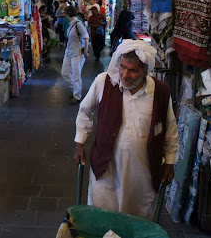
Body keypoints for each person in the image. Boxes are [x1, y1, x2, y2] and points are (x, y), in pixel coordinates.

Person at [74, 40, 178, 219]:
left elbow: (170, 128)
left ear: (145, 71)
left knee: (136, 218)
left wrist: (169, 161)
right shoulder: (104, 82)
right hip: (106, 169)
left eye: (133, 70)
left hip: (142, 173)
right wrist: (80, 141)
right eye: (122, 67)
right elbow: (84, 111)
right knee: (102, 216)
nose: (125, 74)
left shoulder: (160, 92)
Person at [61, 5, 89, 105]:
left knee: (76, 75)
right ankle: (75, 89)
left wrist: (85, 51)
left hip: (77, 53)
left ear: (67, 14)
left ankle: (77, 96)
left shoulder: (78, 24)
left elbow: (86, 37)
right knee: (64, 73)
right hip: (69, 52)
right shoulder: (71, 24)